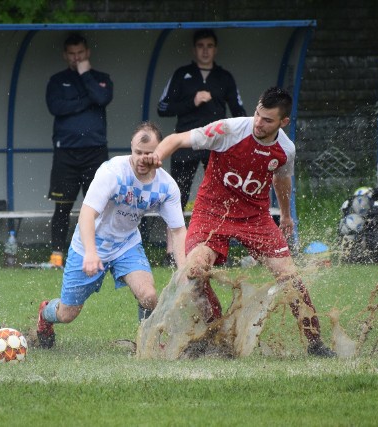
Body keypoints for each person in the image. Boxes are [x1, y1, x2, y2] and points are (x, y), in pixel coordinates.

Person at [144, 87, 336, 358]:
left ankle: (315, 343)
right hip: (213, 213)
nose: (259, 122)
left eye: (268, 120)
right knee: (194, 272)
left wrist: (287, 216)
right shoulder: (229, 130)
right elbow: (176, 139)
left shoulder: (286, 149)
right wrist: (157, 156)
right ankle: (217, 335)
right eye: (258, 114)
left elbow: (282, 179)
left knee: (291, 278)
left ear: (283, 122)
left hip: (256, 218)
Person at [37, 122, 187, 349]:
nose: (141, 159)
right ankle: (45, 313)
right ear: (131, 148)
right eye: (137, 152)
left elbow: (177, 230)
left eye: (148, 154)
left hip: (126, 244)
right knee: (67, 313)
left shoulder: (166, 186)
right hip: (90, 243)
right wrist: (90, 252)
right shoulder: (112, 172)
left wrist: (184, 271)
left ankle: (146, 345)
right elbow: (86, 214)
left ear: (159, 154)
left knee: (148, 296)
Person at [157, 28, 246, 265]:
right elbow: (163, 107)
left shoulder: (224, 77)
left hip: (216, 145)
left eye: (209, 46)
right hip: (185, 142)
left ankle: (216, 251)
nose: (205, 50)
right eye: (200, 46)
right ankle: (172, 253)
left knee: (218, 197)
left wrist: (235, 138)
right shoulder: (182, 74)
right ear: (194, 49)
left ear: (215, 49)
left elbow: (240, 112)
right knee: (176, 196)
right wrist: (192, 102)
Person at [45, 33, 114, 268]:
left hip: (95, 152)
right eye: (72, 54)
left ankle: (101, 254)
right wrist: (85, 102)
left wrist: (85, 75)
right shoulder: (57, 80)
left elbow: (102, 98)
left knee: (99, 208)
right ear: (65, 55)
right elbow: (56, 107)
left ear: (87, 53)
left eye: (80, 53)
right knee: (62, 206)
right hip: (66, 154)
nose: (76, 58)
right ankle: (56, 256)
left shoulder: (101, 78)